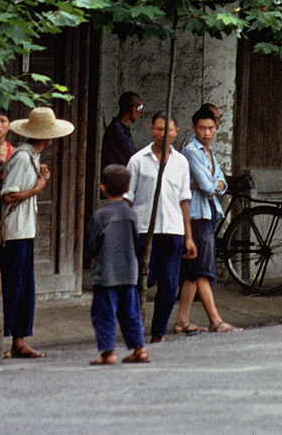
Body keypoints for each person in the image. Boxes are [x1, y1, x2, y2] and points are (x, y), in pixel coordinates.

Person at [0, 105, 74, 361]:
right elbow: (7, 195)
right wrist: (38, 188)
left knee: (24, 289)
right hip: (14, 232)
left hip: (25, 231)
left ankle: (19, 340)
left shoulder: (32, 156)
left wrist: (40, 181)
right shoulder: (21, 157)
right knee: (10, 287)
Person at [126, 111, 196, 342]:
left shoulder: (181, 162)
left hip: (173, 230)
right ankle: (135, 327)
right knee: (142, 282)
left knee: (168, 286)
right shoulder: (138, 160)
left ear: (176, 132)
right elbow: (127, 196)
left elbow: (184, 200)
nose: (163, 134)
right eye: (158, 128)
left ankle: (158, 332)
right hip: (144, 230)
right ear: (151, 129)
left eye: (168, 130)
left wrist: (188, 236)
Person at [177, 106, 236, 333]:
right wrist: (214, 184)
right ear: (194, 129)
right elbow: (208, 185)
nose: (207, 132)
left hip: (207, 213)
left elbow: (222, 184)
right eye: (202, 128)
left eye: (211, 128)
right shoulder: (192, 151)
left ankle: (183, 320)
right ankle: (215, 320)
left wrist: (215, 184)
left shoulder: (208, 152)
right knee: (202, 270)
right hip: (196, 216)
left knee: (193, 272)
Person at [86, 163, 148, 366]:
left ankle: (108, 352)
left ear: (102, 188)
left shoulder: (101, 215)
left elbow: (92, 245)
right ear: (128, 188)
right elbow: (136, 240)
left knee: (104, 314)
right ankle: (139, 348)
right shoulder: (131, 214)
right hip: (129, 272)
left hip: (107, 274)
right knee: (131, 313)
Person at [101, 92, 142, 171]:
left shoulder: (122, 127)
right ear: (133, 109)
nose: (140, 111)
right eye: (140, 108)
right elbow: (131, 155)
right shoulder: (117, 129)